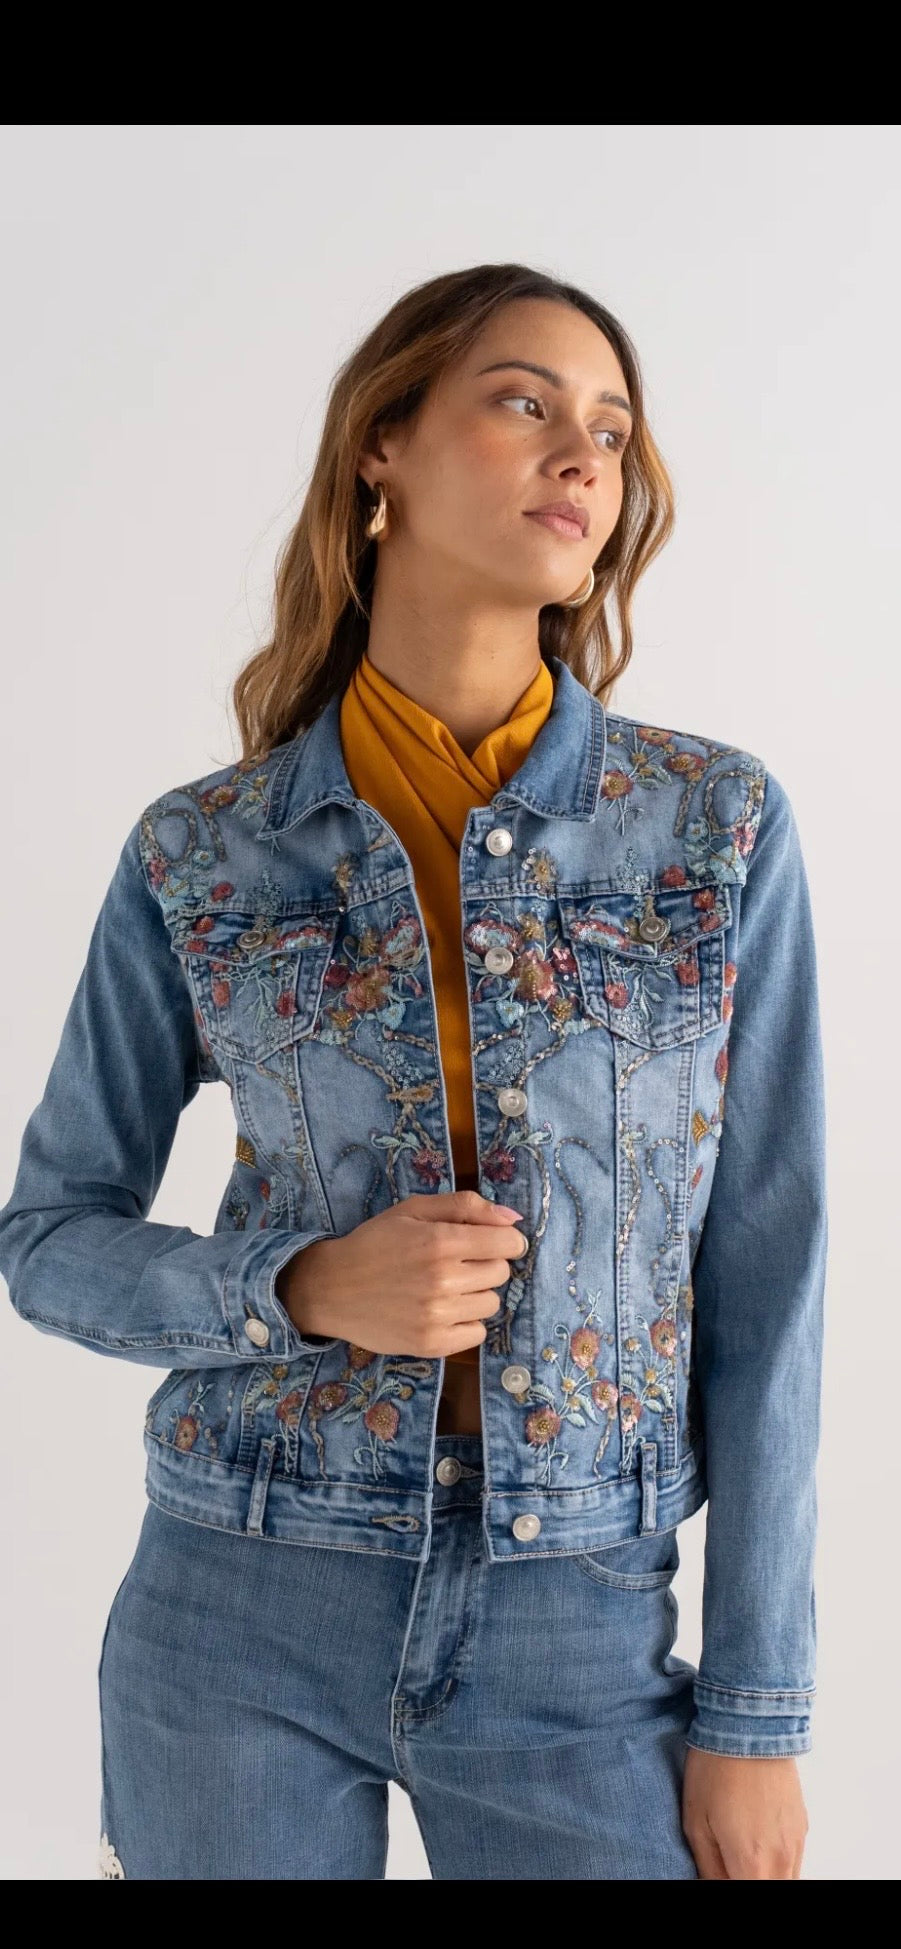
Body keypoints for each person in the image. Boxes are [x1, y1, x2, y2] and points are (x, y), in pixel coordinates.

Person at [0, 262, 828, 1882]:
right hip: (236, 1596)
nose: (581, 455)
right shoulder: (205, 851)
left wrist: (756, 1708)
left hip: (576, 1628)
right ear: (382, 443)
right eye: (524, 402)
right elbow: (47, 1236)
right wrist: (301, 1286)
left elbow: (768, 1277)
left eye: (611, 430)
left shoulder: (711, 828)